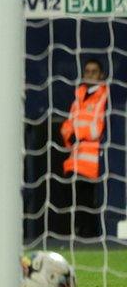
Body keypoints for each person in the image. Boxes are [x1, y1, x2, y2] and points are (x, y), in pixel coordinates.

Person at [59, 59, 108, 239]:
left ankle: (89, 233)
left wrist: (77, 133)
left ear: (101, 75)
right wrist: (69, 135)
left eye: (94, 71)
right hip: (74, 158)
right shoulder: (79, 95)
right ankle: (76, 232)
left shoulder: (104, 96)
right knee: (70, 198)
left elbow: (97, 127)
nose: (90, 75)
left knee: (87, 200)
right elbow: (67, 124)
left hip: (92, 159)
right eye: (87, 71)